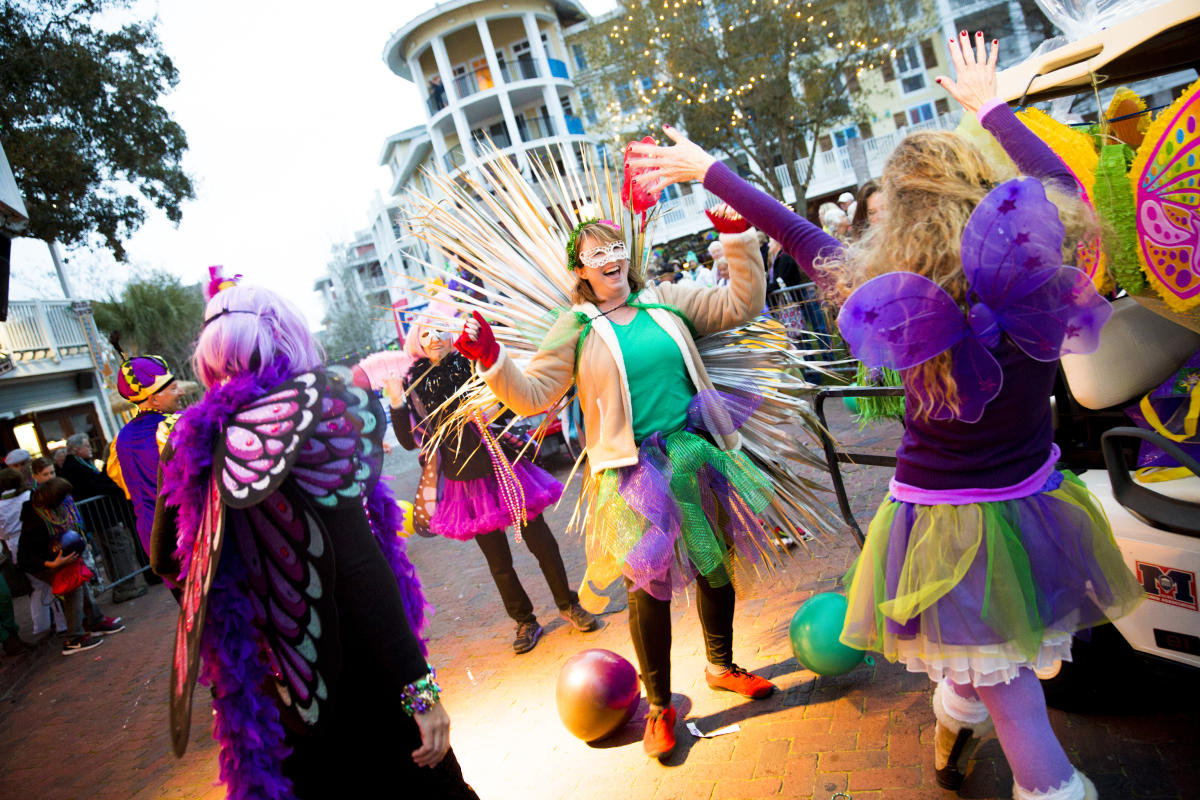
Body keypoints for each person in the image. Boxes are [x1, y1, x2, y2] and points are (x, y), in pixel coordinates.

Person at [626, 32, 1142, 800]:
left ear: (897, 212)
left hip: (945, 519)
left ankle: (1015, 762)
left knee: (994, 669)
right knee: (1001, 668)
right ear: (985, 190)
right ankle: (969, 727)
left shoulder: (890, 294)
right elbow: (1063, 181)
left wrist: (709, 170)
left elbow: (793, 232)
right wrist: (991, 107)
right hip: (1032, 499)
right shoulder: (1039, 271)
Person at [457, 217, 778, 760]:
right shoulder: (575, 326)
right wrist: (492, 359)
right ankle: (658, 706)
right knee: (646, 587)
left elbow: (740, 304)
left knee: (715, 564)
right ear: (579, 268)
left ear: (624, 252)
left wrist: (737, 236)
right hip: (630, 473)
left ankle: (722, 666)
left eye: (613, 246)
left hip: (690, 453)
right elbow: (534, 395)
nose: (608, 257)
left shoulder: (667, 300)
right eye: (594, 252)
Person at [151, 283, 478, 799]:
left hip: (273, 691)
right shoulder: (311, 423)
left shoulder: (193, 441)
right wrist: (420, 691)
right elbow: (360, 567)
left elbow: (168, 561)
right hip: (356, 672)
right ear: (286, 341)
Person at [385, 309, 597, 655]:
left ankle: (568, 604)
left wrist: (489, 410)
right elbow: (410, 442)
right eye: (425, 334)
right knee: (498, 562)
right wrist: (396, 399)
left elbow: (510, 400)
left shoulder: (472, 363)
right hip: (464, 481)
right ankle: (525, 621)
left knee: (541, 541)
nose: (435, 337)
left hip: (503, 466)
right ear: (417, 344)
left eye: (441, 329)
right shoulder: (415, 386)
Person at [17, 475, 125, 655]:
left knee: (79, 584)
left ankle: (95, 620)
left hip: (62, 559)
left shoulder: (53, 509)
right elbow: (24, 557)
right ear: (54, 499)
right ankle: (74, 638)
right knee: (73, 588)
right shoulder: (33, 520)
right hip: (44, 564)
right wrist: (52, 563)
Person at [107, 336, 183, 564]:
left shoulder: (119, 441)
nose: (180, 392)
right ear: (154, 399)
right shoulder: (175, 425)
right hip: (188, 530)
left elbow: (125, 485)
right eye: (173, 388)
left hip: (152, 539)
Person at [0, 465, 66, 638]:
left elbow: (2, 532)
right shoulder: (28, 496)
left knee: (37, 588)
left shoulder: (2, 504)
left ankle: (42, 625)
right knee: (50, 585)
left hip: (15, 545)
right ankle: (60, 623)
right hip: (34, 544)